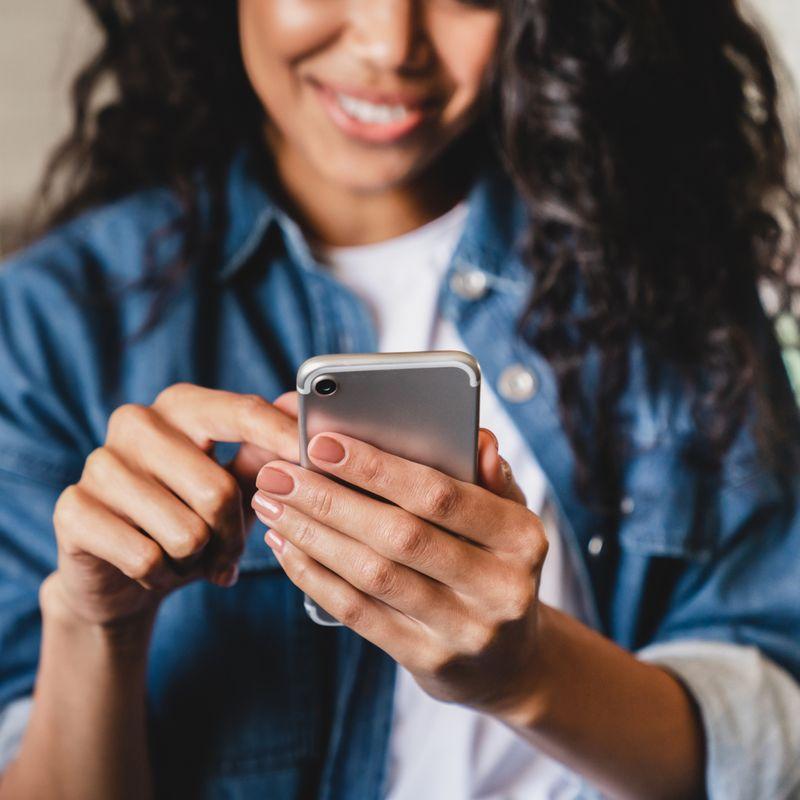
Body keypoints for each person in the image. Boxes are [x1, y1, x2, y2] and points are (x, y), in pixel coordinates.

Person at [0, 1, 799, 798]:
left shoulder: (666, 274)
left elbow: (774, 734)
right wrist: (94, 624)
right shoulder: (53, 324)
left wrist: (527, 673)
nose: (388, 44)